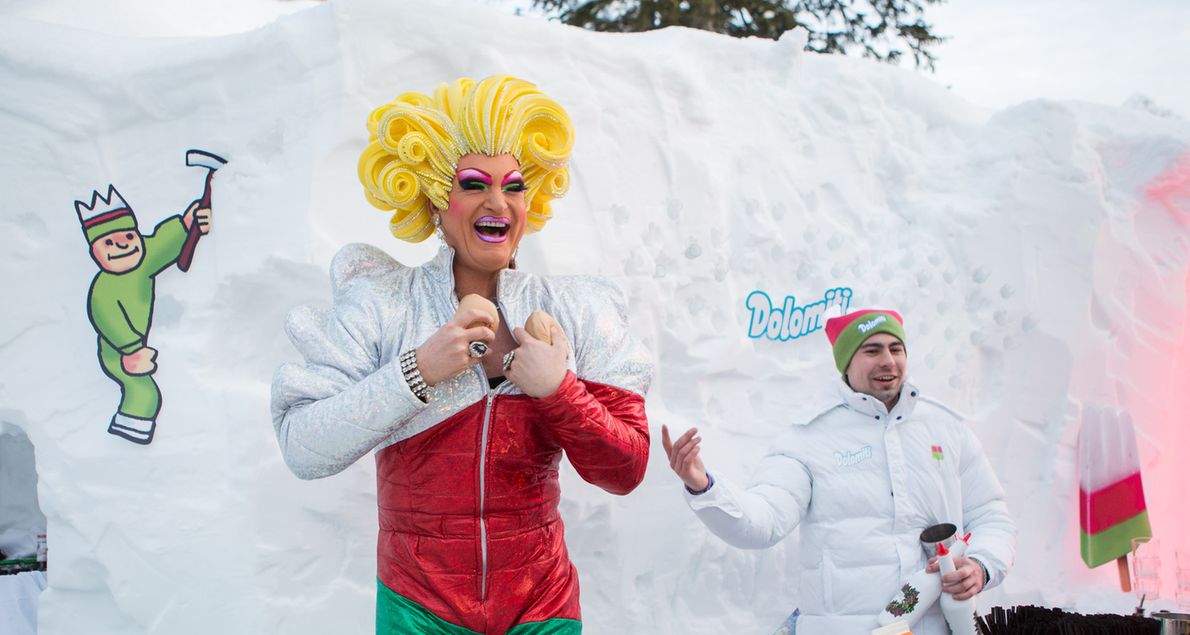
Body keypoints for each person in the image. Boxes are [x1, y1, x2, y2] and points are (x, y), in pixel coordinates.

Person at [271, 75, 652, 635]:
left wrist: (559, 390)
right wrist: (416, 371)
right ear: (432, 197)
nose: (498, 202)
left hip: (541, 607)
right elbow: (303, 446)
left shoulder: (574, 308)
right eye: (473, 184)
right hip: (418, 608)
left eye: (514, 186)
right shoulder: (382, 303)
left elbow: (627, 469)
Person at [662, 308, 1015, 634]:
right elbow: (763, 522)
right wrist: (703, 486)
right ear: (846, 362)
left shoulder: (945, 427)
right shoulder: (809, 437)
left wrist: (981, 567)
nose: (888, 361)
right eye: (872, 351)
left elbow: (991, 515)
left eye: (896, 348)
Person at [76, 184, 210, 445]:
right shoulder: (103, 291)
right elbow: (108, 321)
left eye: (128, 237)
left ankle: (130, 438)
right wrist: (130, 352)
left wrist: (187, 222)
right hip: (117, 350)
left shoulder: (142, 259)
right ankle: (126, 441)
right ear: (95, 252)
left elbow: (162, 243)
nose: (123, 246)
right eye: (109, 243)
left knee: (146, 391)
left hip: (134, 346)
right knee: (144, 392)